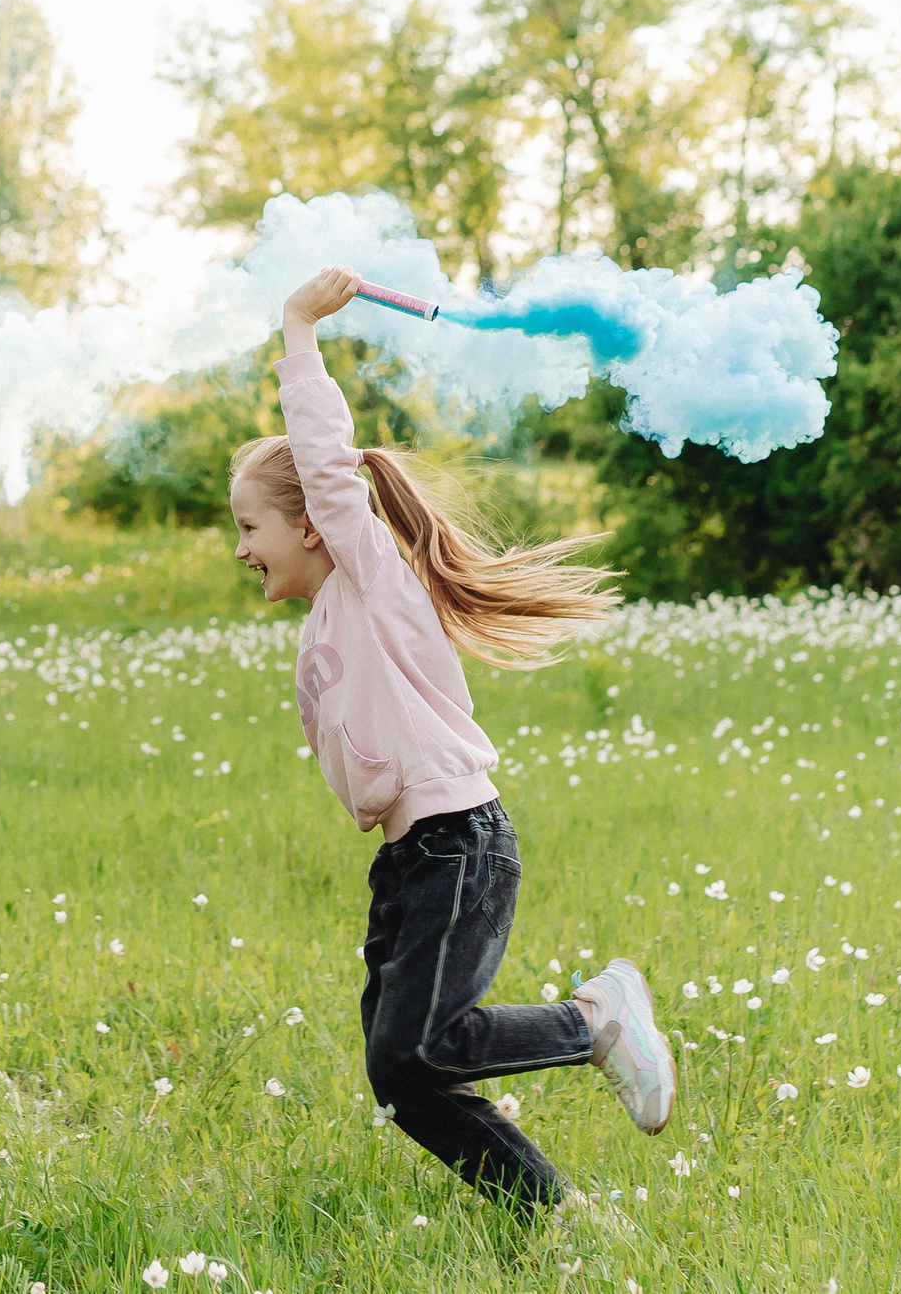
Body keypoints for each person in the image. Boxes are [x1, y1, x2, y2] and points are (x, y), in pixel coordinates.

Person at [231, 264, 675, 1212]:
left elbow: (325, 463)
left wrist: (299, 327)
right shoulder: (328, 618)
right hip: (411, 859)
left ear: (312, 526)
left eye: (250, 525)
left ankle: (594, 1019)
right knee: (401, 1073)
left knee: (425, 1044)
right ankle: (556, 1218)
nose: (239, 547)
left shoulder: (368, 578)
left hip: (456, 842)